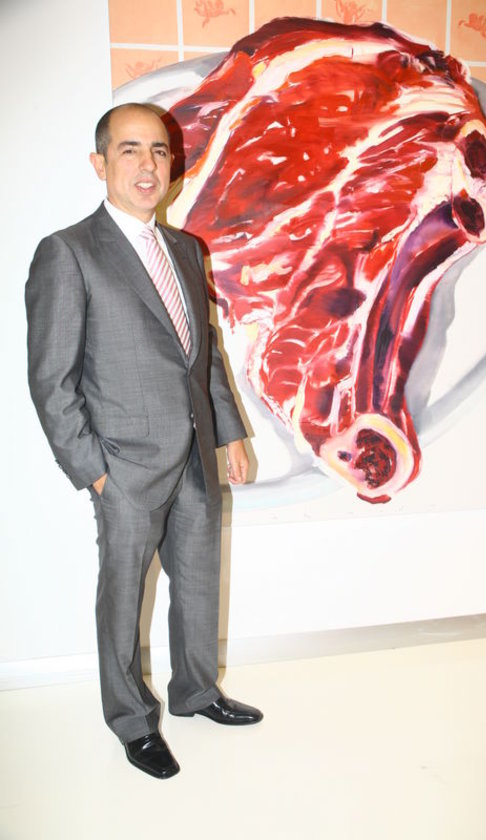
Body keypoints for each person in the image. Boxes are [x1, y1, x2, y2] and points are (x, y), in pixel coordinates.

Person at [25, 103, 262, 780]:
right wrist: (93, 471)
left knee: (198, 582)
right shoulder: (69, 252)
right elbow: (51, 378)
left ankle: (196, 692)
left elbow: (202, 353)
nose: (148, 164)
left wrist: (228, 433)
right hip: (124, 466)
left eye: (158, 150)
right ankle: (132, 721)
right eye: (129, 150)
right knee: (123, 598)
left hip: (195, 455)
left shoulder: (185, 248)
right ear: (100, 164)